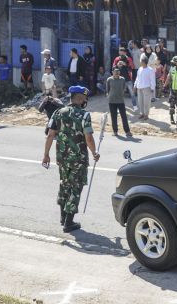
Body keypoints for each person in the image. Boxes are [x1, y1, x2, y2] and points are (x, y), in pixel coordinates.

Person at [42, 85, 100, 233]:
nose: (85, 101)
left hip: (62, 157)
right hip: (78, 159)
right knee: (76, 187)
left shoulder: (57, 112)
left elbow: (50, 134)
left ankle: (62, 217)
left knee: (64, 184)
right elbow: (89, 137)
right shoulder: (84, 115)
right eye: (84, 98)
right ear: (79, 98)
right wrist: (94, 152)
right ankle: (69, 222)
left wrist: (46, 154)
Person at [106, 68, 132, 137]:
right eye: (115, 72)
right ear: (112, 72)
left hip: (120, 101)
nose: (117, 74)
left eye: (118, 72)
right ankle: (115, 131)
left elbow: (124, 88)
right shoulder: (109, 80)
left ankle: (127, 131)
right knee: (113, 117)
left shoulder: (122, 79)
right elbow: (107, 90)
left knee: (124, 116)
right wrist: (109, 96)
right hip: (112, 101)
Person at [134, 56, 155, 121]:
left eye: (141, 61)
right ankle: (142, 113)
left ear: (144, 62)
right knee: (140, 101)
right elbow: (137, 78)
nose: (140, 62)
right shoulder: (140, 69)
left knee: (146, 102)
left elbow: (152, 80)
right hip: (139, 87)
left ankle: (146, 114)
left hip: (147, 87)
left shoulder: (150, 70)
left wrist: (152, 88)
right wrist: (135, 85)